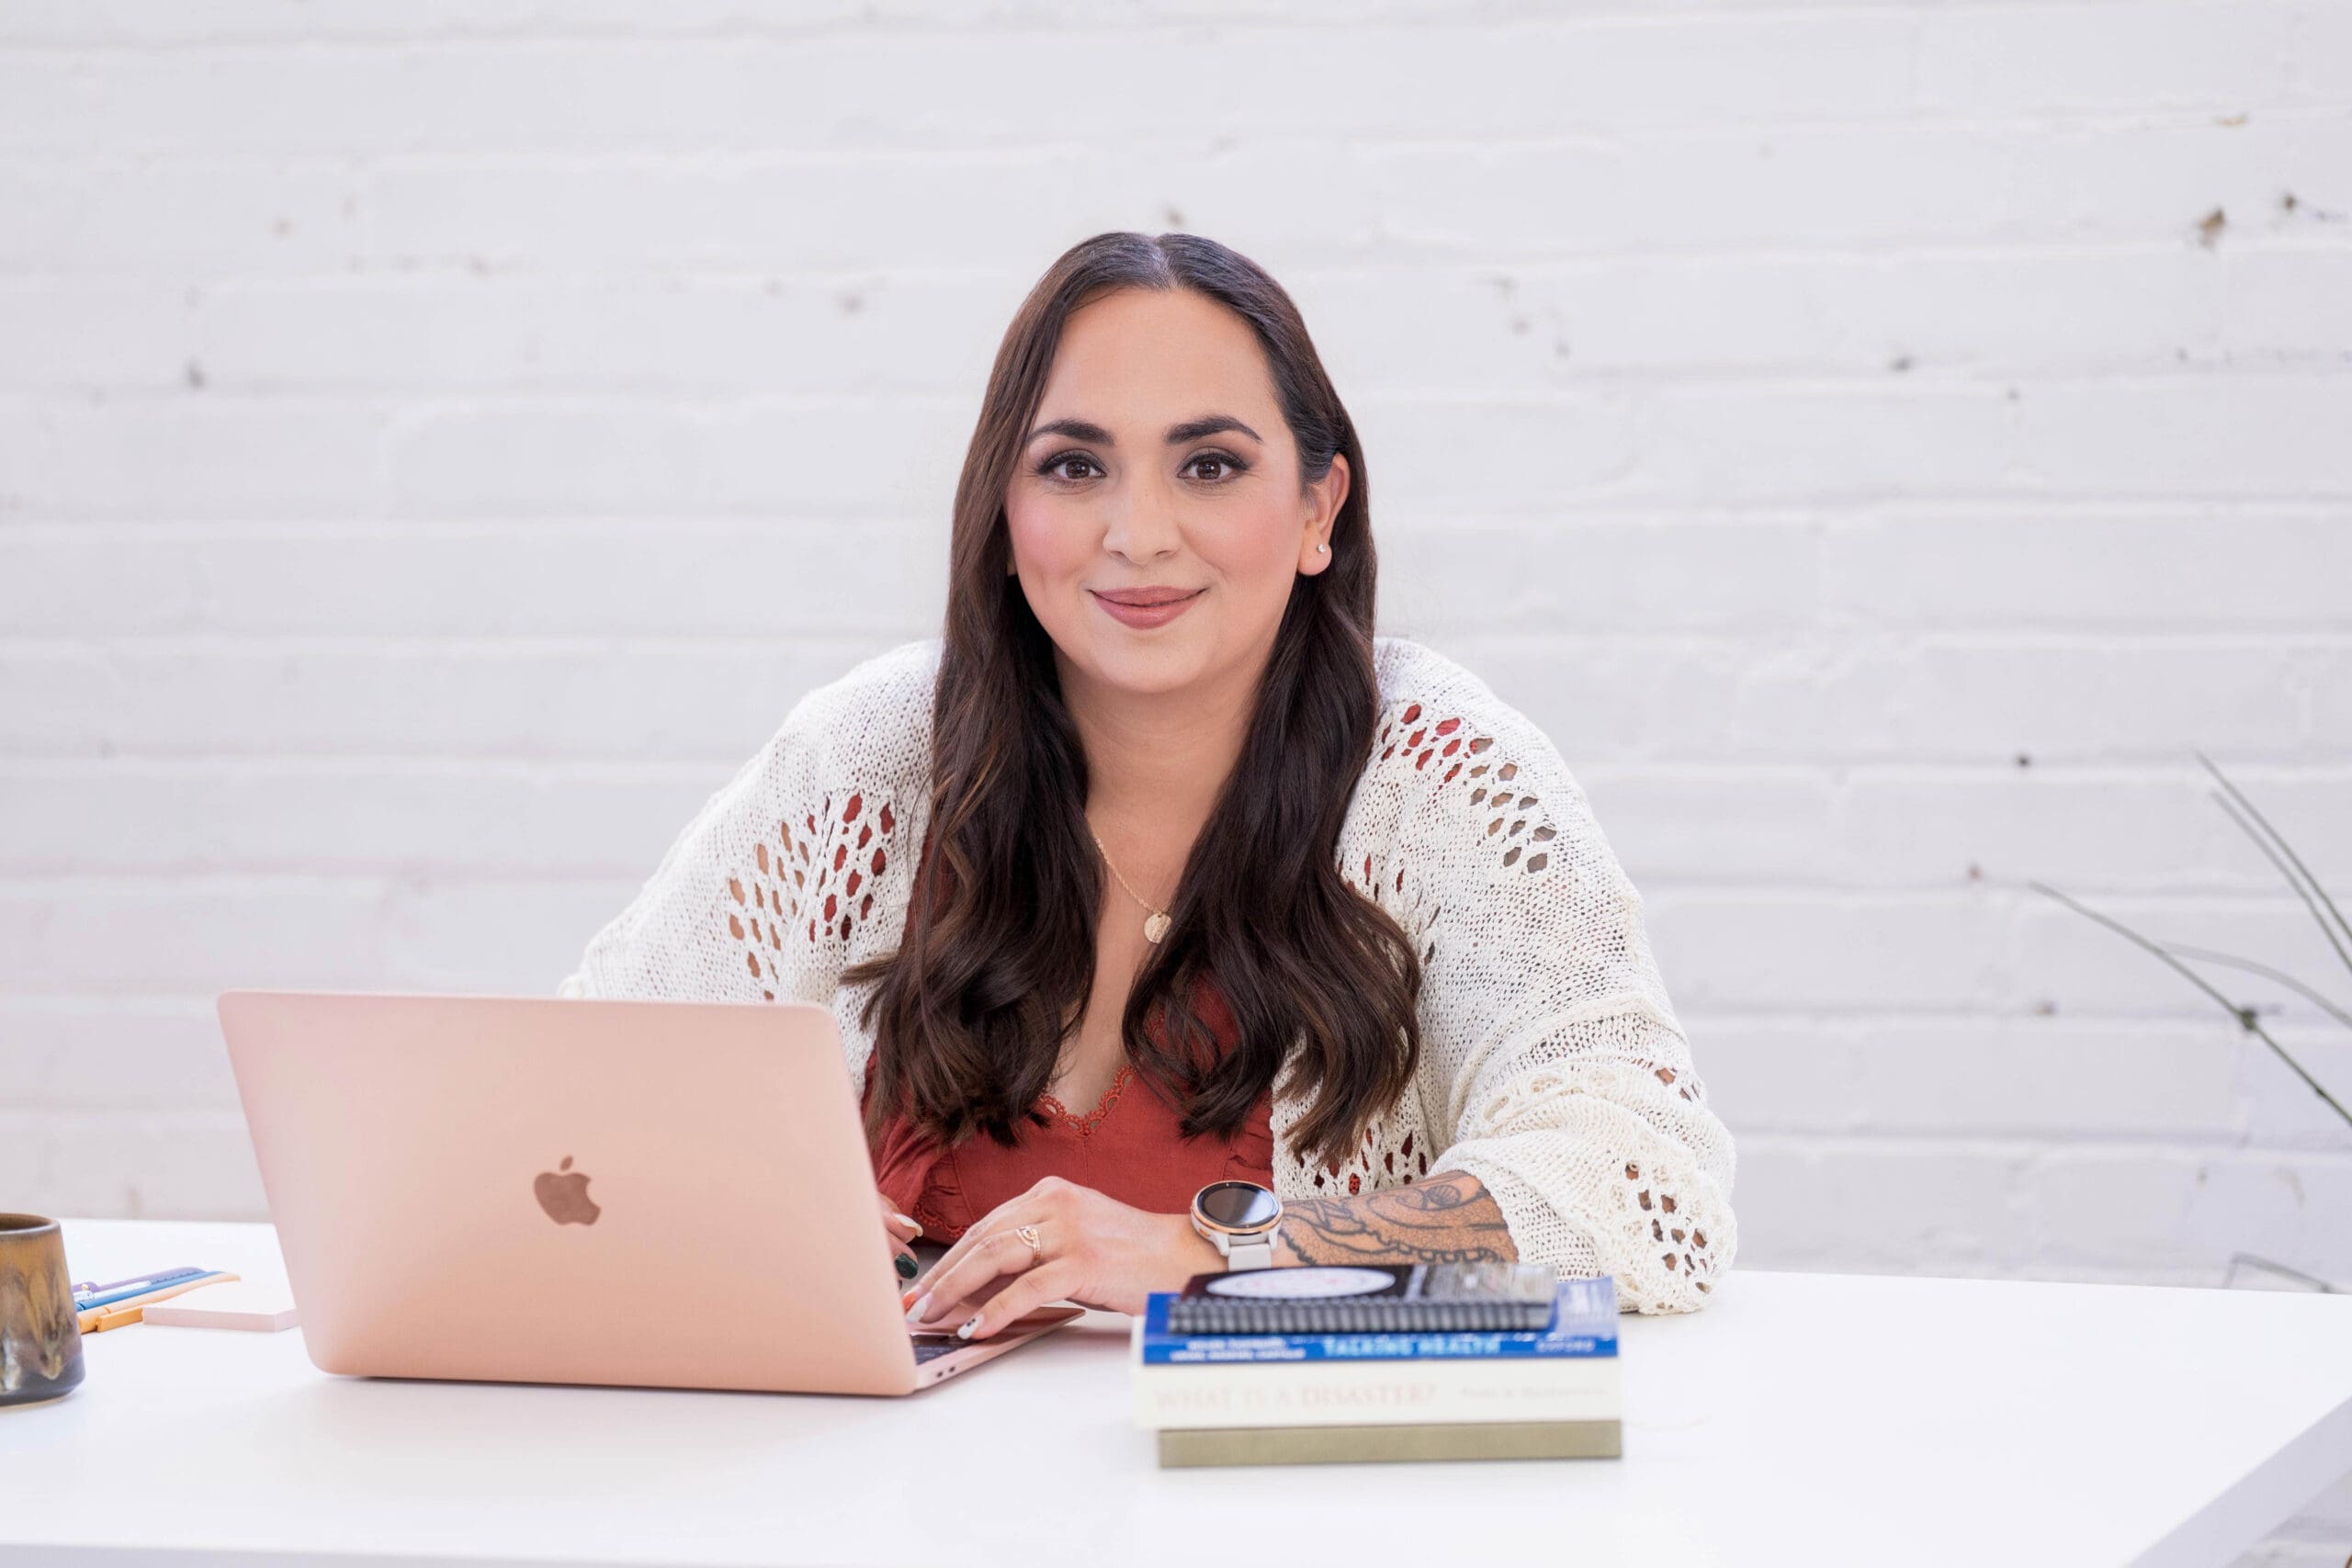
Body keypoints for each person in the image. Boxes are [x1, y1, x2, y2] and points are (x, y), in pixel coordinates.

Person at [558, 231, 1736, 1343]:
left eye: (1210, 465)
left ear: (1319, 510)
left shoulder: (1438, 770)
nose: (1138, 532)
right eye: (1074, 466)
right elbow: (574, 1094)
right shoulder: (869, 756)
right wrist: (722, 1197)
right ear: (1005, 512)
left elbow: (1644, 1181)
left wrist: (1210, 1251)